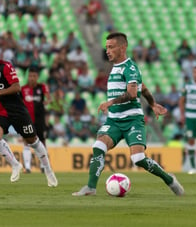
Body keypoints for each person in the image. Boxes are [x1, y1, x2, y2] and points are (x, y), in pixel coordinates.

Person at [72, 32, 184, 196]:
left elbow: (133, 93)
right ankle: (90, 187)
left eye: (111, 47)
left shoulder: (130, 67)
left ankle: (169, 179)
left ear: (122, 47)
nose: (107, 51)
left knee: (138, 158)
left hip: (132, 120)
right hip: (114, 120)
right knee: (98, 146)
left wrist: (110, 102)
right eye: (106, 47)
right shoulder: (116, 67)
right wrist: (152, 104)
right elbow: (143, 88)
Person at [0, 37, 57, 187]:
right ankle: (15, 165)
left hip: (17, 110)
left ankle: (48, 170)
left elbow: (16, 87)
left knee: (32, 140)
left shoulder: (5, 66)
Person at [21, 66, 51, 173]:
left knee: (42, 141)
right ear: (28, 77)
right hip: (27, 119)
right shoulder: (23, 89)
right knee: (26, 141)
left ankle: (44, 166)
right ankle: (28, 167)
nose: (32, 78)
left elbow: (48, 97)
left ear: (37, 77)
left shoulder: (42, 87)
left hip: (39, 119)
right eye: (30, 76)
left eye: (34, 76)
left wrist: (47, 101)